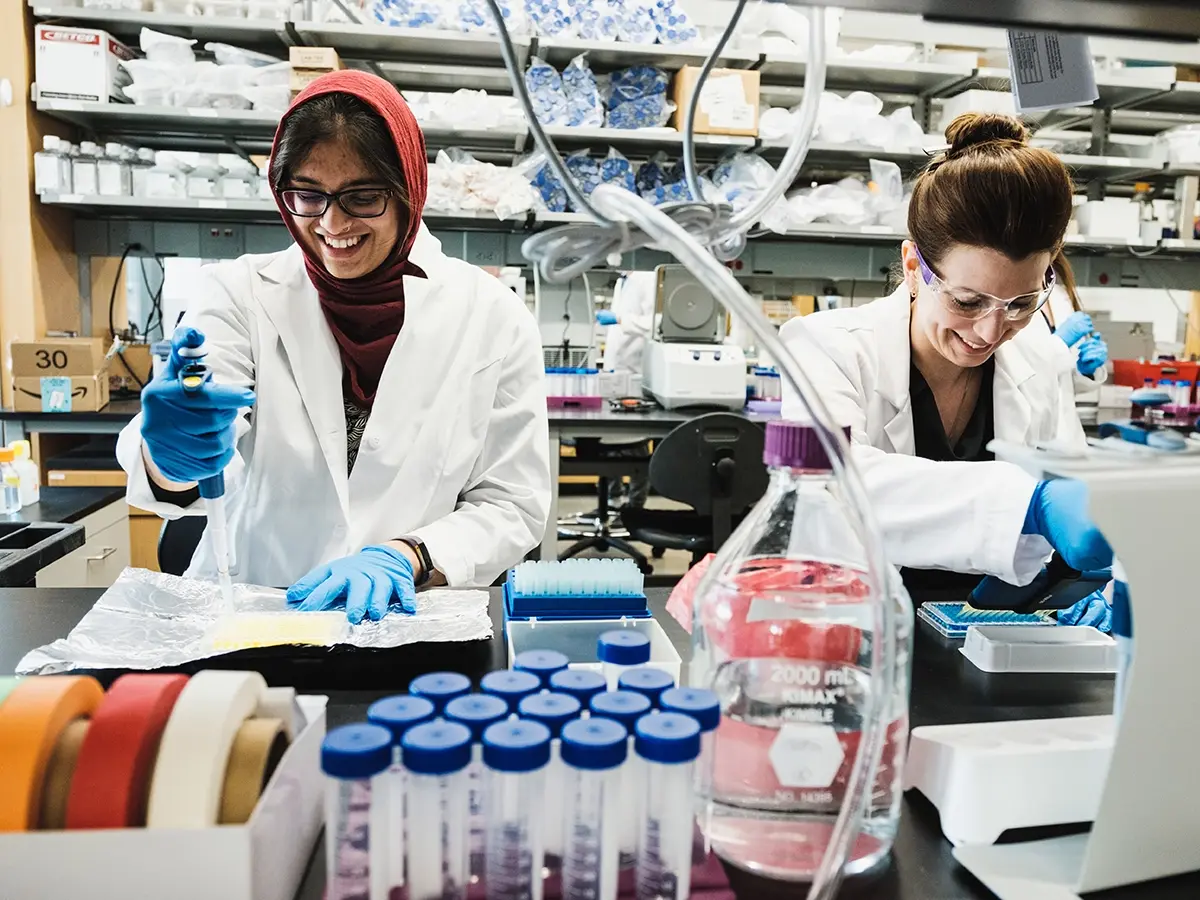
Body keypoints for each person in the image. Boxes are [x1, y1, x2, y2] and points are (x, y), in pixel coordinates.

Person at [118, 71, 551, 623]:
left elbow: (511, 504)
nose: (333, 222)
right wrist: (173, 455)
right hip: (259, 615)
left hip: (411, 622)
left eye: (362, 196)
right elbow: (188, 472)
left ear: (407, 189)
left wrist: (409, 556)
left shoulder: (493, 316)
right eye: (308, 194)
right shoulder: (236, 295)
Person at [780, 113, 1112, 628]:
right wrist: (1028, 505)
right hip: (851, 632)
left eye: (1022, 302)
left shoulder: (1041, 357)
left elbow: (1079, 514)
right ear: (914, 267)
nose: (990, 330)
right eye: (967, 300)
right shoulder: (824, 347)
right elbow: (835, 487)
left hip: (990, 633)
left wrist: (1091, 582)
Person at [597, 269, 657, 376]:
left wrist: (619, 320)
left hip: (636, 372)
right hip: (614, 368)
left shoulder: (648, 277)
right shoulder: (622, 281)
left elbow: (654, 324)